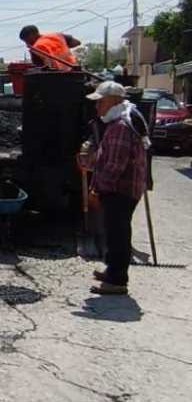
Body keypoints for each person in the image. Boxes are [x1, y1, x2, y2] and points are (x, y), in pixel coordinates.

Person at [82, 80, 149, 296]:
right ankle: (112, 271)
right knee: (114, 231)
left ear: (112, 101)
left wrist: (98, 189)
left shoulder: (120, 126)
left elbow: (114, 165)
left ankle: (117, 280)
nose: (97, 106)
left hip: (120, 190)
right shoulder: (119, 121)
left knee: (118, 233)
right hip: (123, 188)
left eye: (100, 102)